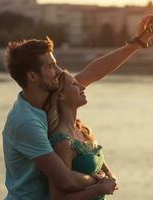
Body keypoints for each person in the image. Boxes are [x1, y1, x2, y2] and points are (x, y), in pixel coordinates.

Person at [2, 15, 153, 200]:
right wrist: (99, 181)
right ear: (33, 77)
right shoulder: (26, 122)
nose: (59, 71)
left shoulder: (53, 95)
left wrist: (139, 41)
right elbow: (65, 180)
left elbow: (94, 71)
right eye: (51, 66)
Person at [42, 70, 117, 200]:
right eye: (74, 84)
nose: (82, 87)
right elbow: (58, 198)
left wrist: (111, 180)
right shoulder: (62, 142)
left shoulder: (83, 131)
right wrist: (99, 188)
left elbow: (108, 173)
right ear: (61, 96)